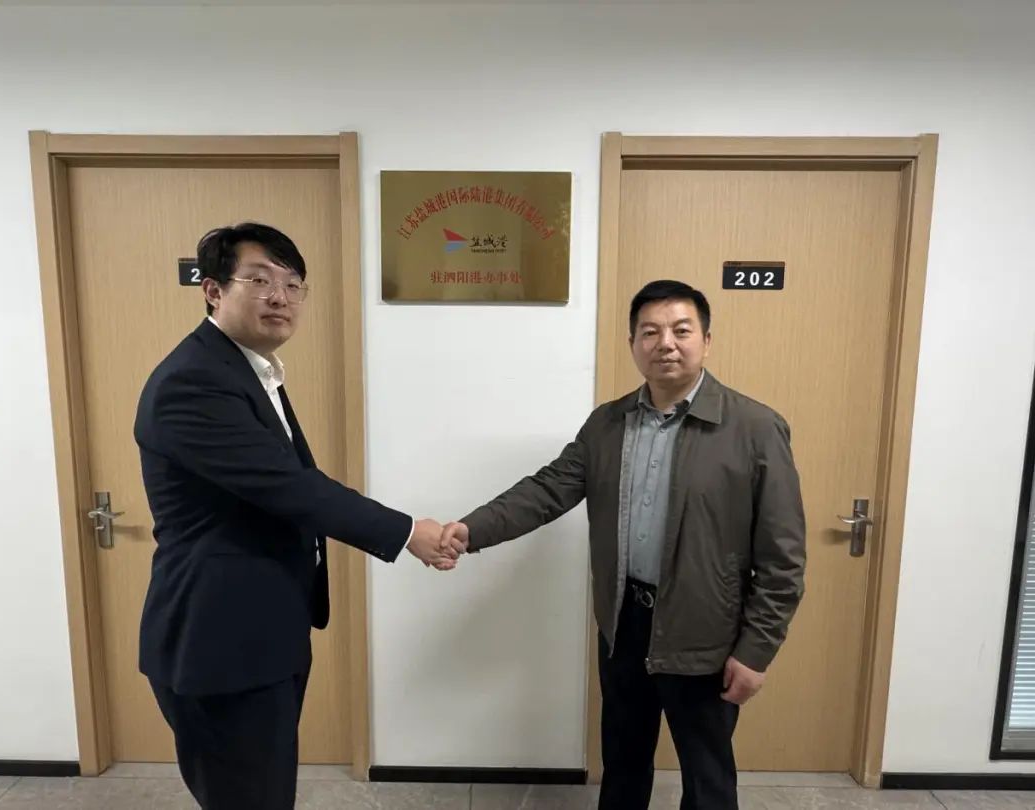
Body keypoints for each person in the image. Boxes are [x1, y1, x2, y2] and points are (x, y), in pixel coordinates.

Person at [441, 280, 806, 810]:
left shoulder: (755, 429)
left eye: (681, 330)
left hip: (705, 634)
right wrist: (472, 530)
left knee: (707, 777)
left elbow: (783, 558)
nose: (666, 343)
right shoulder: (607, 424)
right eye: (650, 332)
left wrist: (755, 651)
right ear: (632, 343)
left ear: (707, 341)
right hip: (624, 625)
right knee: (623, 763)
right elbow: (547, 489)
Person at [134, 222, 458, 810]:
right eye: (258, 281)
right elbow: (290, 488)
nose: (279, 297)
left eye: (292, 284)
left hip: (262, 631)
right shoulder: (193, 382)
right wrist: (409, 532)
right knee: (249, 796)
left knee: (266, 788)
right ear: (213, 290)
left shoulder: (248, 369)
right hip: (219, 641)